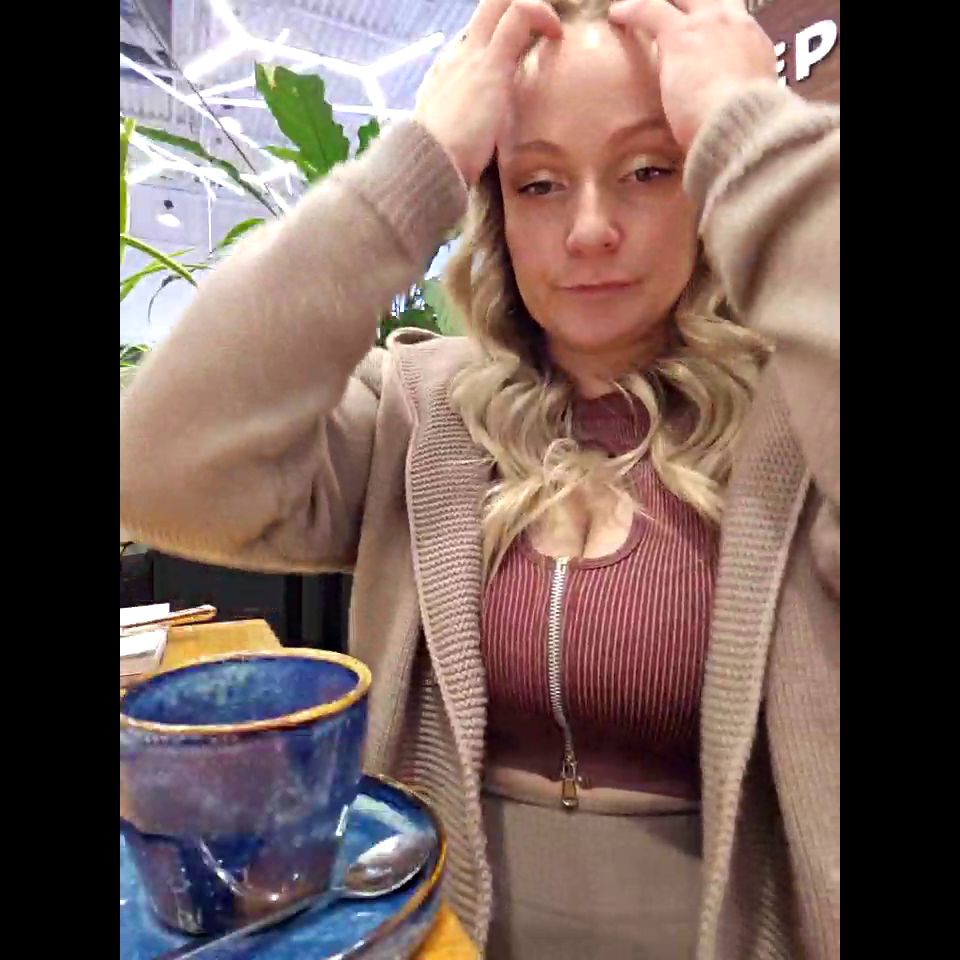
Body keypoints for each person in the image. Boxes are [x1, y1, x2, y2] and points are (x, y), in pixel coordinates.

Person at [119, 0, 840, 956]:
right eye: (539, 183)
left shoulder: (800, 424)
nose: (590, 229)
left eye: (648, 170)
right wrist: (417, 166)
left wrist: (756, 138)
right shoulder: (422, 412)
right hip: (434, 933)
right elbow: (156, 469)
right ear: (496, 210)